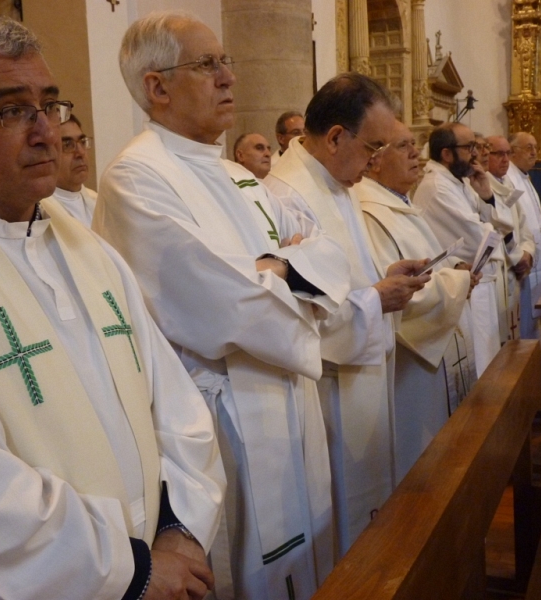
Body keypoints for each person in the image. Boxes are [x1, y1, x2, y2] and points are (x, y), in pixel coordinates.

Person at [93, 11, 352, 600]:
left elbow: (327, 250)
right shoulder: (137, 177)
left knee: (308, 569)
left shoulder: (237, 174)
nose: (229, 78)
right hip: (221, 418)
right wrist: (295, 285)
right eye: (208, 65)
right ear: (156, 87)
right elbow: (225, 307)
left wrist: (281, 269)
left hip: (289, 399)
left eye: (225, 61)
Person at [0, 14, 225, 600]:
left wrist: (178, 531)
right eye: (13, 110)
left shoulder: (88, 249)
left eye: (50, 105)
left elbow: (177, 408)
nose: (45, 131)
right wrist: (131, 571)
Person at [265, 73, 431, 557]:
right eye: (372, 148)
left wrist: (385, 276)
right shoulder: (286, 197)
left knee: (371, 519)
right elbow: (295, 312)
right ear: (336, 137)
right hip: (325, 392)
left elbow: (347, 276)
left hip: (361, 379)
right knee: (342, 532)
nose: (376, 162)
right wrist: (375, 299)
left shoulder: (338, 184)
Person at [357, 120, 478, 481]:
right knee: (421, 468)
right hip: (412, 368)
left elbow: (425, 263)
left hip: (435, 356)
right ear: (374, 160)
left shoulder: (400, 204)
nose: (415, 153)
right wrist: (457, 282)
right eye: (403, 146)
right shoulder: (369, 211)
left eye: (415, 144)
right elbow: (396, 292)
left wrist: (452, 269)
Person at [413, 123, 514, 377]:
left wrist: (487, 196)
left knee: (489, 365)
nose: (476, 154)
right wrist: (489, 225)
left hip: (479, 282)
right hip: (469, 287)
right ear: (447, 154)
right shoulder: (438, 187)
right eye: (469, 147)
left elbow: (492, 228)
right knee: (479, 370)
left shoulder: (459, 182)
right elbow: (480, 238)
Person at [486, 135, 535, 341]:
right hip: (503, 272)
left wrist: (527, 253)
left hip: (516, 269)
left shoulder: (509, 183)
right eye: (498, 154)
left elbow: (525, 228)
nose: (505, 159)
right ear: (484, 155)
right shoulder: (482, 188)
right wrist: (517, 258)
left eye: (507, 153)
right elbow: (495, 230)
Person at [506, 132, 541, 349]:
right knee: (522, 317)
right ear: (512, 152)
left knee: (534, 314)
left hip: (533, 259)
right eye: (528, 147)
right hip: (522, 263)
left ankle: (537, 362)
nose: (534, 152)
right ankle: (528, 368)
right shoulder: (509, 179)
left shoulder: (523, 177)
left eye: (535, 147)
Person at [51, 114, 97, 225]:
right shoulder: (41, 211)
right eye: (67, 145)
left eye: (82, 142)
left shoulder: (97, 201)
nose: (81, 153)